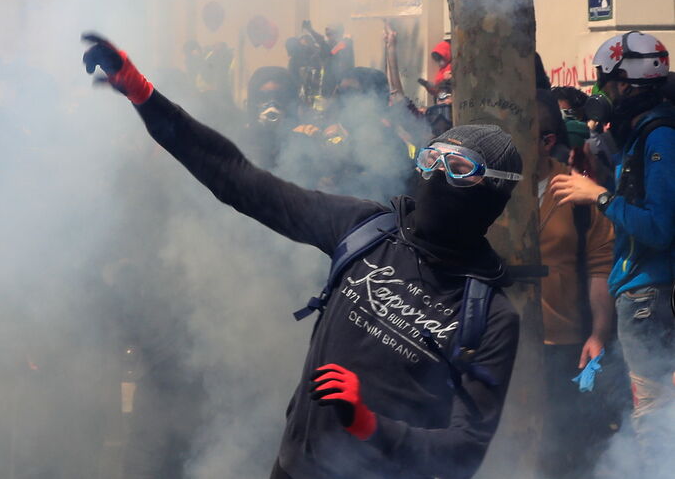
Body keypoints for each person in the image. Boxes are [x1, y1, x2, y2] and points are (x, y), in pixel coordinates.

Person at [81, 33, 523, 479]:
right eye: (431, 160)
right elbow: (239, 180)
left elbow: (465, 451)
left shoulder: (490, 316)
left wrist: (368, 424)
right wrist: (143, 94)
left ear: (494, 192)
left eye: (459, 169)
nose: (436, 175)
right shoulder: (365, 229)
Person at [550, 31, 674, 468]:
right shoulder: (646, 133)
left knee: (654, 416)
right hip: (648, 293)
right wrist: (601, 172)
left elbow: (660, 226)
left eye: (603, 83)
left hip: (650, 294)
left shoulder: (659, 136)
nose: (598, 94)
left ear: (625, 84)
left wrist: (597, 196)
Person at [534, 90, 617, 479]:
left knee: (561, 448)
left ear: (546, 141)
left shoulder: (577, 192)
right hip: (493, 342)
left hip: (562, 347)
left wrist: (598, 332)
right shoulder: (482, 185)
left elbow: (601, 268)